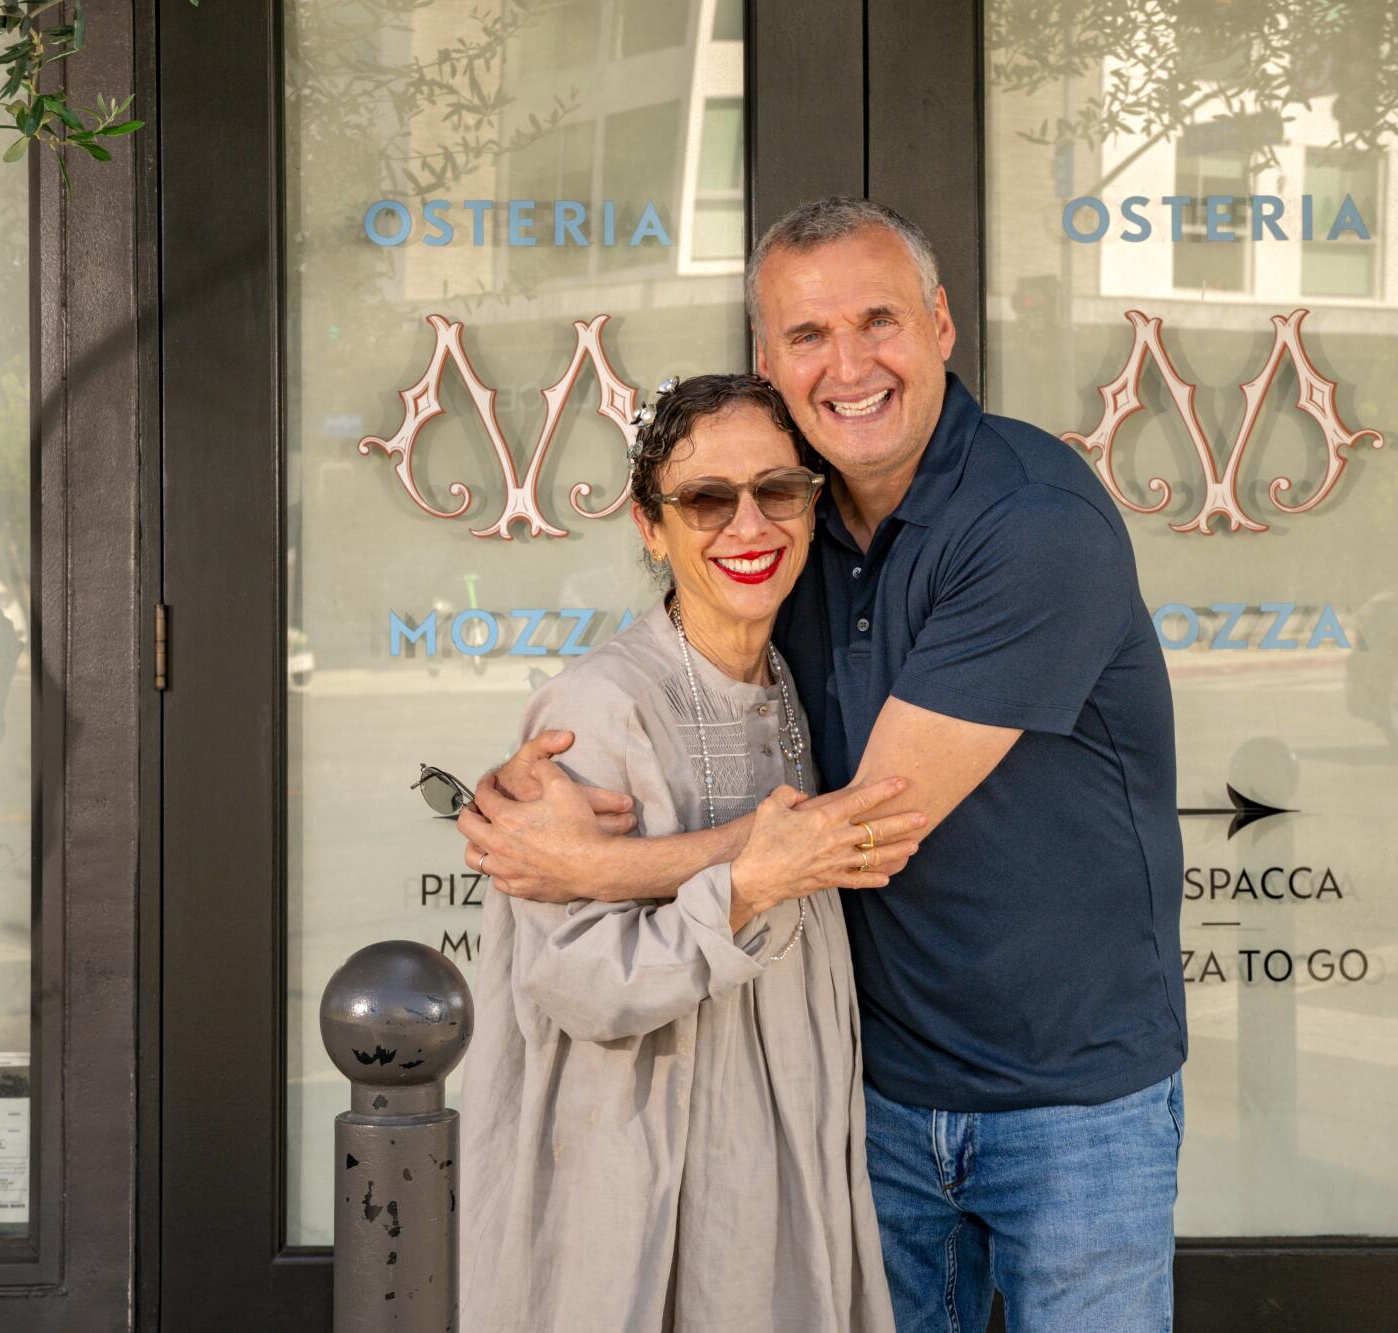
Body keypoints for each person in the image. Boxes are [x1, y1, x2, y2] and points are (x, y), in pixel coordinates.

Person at [460, 198, 1187, 1332]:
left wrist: (592, 867)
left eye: (878, 321)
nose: (847, 363)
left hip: (1067, 1095)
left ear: (942, 327)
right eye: (807, 336)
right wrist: (522, 790)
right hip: (874, 1096)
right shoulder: (804, 535)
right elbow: (670, 665)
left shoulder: (1030, 523)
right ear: (770, 359)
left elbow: (865, 824)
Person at [455, 374, 922, 1332]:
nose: (747, 525)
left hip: (777, 1153)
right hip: (638, 1164)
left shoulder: (793, 677)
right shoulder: (598, 708)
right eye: (708, 499)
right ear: (650, 526)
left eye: (778, 491)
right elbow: (580, 983)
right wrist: (746, 885)